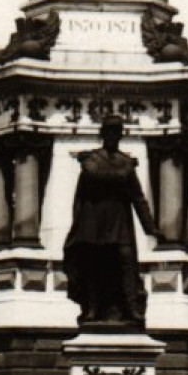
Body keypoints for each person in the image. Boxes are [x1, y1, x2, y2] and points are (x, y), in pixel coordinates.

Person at [63, 114, 158, 326]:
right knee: (94, 264)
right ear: (103, 134)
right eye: (110, 131)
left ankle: (131, 307)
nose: (114, 135)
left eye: (118, 131)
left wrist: (150, 227)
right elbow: (83, 194)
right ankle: (93, 308)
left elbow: (138, 198)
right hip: (93, 220)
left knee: (125, 262)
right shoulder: (93, 161)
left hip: (118, 220)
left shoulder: (123, 162)